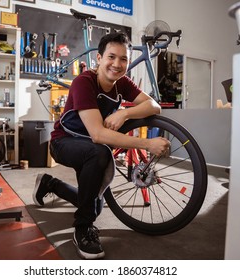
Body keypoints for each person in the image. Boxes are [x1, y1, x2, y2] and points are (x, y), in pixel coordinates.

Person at [33, 32, 170, 259]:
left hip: (89, 146)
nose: (117, 64)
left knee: (92, 203)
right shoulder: (83, 82)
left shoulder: (122, 83)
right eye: (111, 57)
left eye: (123, 59)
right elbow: (98, 134)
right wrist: (146, 144)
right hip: (63, 142)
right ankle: (82, 229)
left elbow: (154, 106)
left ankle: (50, 184)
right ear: (99, 58)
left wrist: (126, 113)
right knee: (100, 154)